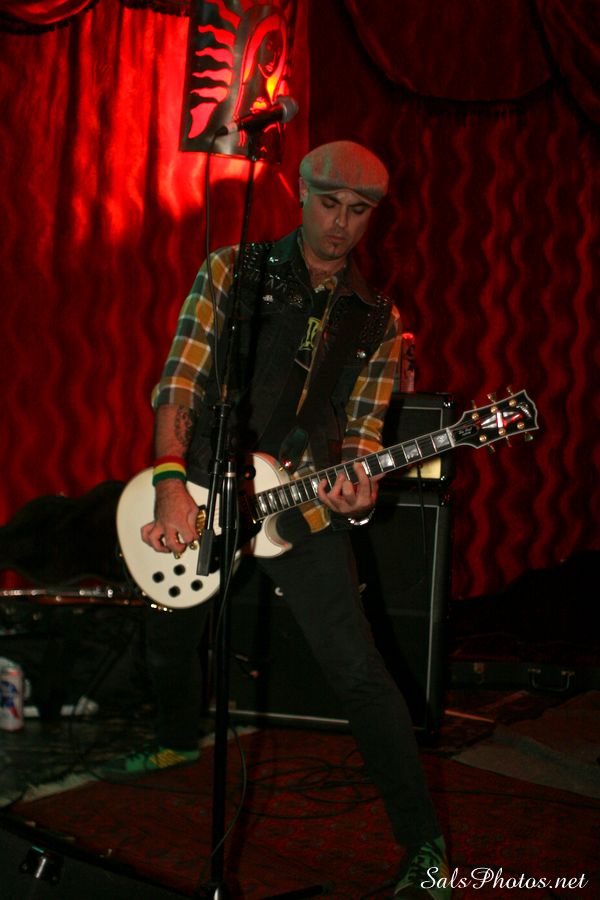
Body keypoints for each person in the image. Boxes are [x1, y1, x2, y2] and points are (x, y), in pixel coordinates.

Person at [105, 141, 451, 899]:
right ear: (299, 193)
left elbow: (363, 433)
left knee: (359, 672)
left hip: (300, 507)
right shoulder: (234, 269)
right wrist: (170, 483)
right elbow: (181, 381)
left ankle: (425, 848)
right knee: (171, 625)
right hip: (205, 485)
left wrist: (359, 493)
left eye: (359, 212)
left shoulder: (378, 318)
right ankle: (175, 740)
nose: (341, 224)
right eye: (329, 204)